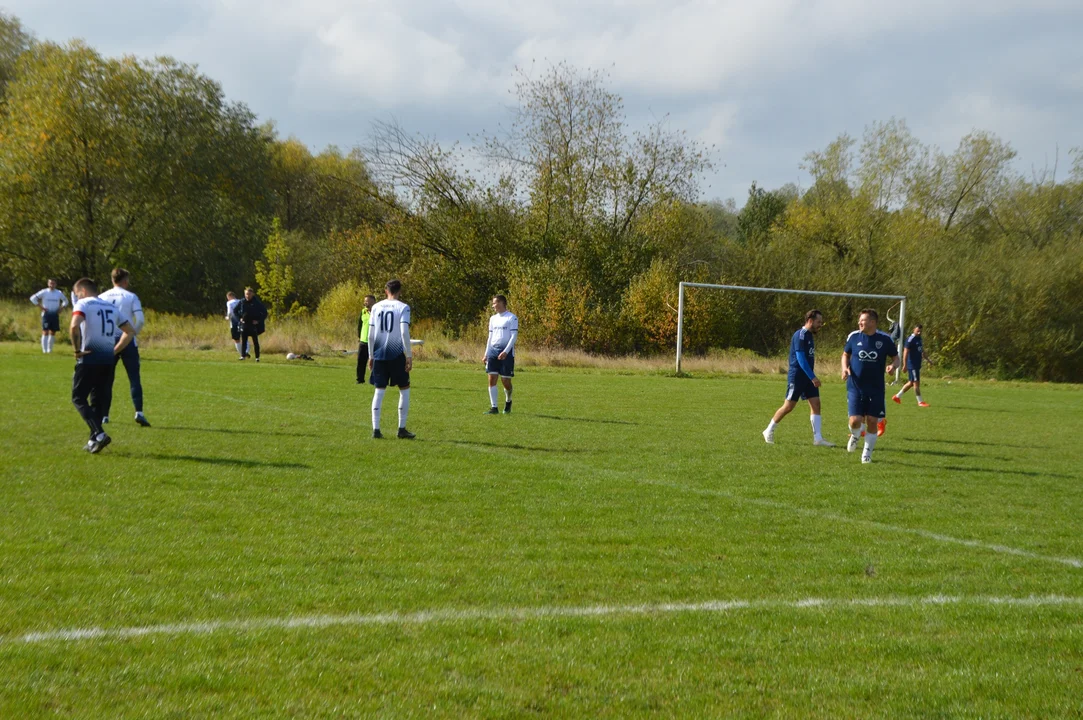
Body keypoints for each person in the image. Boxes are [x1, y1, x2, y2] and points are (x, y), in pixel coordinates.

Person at [69, 277, 136, 453]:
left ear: (82, 291)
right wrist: (115, 350)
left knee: (78, 397)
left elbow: (74, 327)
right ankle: (94, 441)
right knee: (97, 401)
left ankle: (98, 434)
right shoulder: (111, 307)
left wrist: (76, 350)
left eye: (77, 294)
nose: (77, 297)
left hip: (89, 358)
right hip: (107, 360)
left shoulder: (83, 304)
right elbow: (130, 331)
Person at [763, 309, 834, 447]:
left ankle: (818, 438)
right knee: (789, 406)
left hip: (807, 376)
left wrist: (811, 377)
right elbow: (801, 359)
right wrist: (813, 377)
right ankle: (768, 430)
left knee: (816, 404)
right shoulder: (800, 335)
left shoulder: (809, 336)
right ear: (810, 321)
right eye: (819, 322)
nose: (820, 325)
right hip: (797, 375)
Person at [841, 308, 898, 464]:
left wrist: (893, 366)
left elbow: (896, 358)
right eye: (859, 320)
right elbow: (845, 354)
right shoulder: (853, 337)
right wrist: (844, 368)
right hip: (855, 386)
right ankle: (855, 434)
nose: (860, 322)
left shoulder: (885, 339)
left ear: (872, 322)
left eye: (863, 320)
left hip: (876, 388)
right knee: (855, 421)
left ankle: (866, 454)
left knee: (872, 421)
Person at [99, 268, 149, 426]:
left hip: (107, 340)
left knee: (106, 379)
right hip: (126, 339)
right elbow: (140, 319)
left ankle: (104, 415)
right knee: (134, 378)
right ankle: (139, 412)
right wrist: (133, 333)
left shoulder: (101, 297)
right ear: (125, 280)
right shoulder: (131, 296)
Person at [367, 279, 414, 439]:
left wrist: (370, 355)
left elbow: (370, 334)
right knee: (404, 390)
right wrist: (409, 355)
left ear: (386, 290)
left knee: (379, 391)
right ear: (400, 291)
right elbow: (403, 332)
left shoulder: (376, 307)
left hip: (379, 354)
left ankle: (376, 430)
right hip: (395, 356)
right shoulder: (403, 307)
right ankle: (401, 429)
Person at [482, 294, 518, 414]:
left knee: (505, 381)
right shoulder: (493, 319)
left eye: (495, 303)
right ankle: (494, 407)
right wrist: (486, 353)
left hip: (506, 353)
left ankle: (508, 400)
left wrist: (505, 352)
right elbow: (490, 337)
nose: (493, 306)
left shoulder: (511, 318)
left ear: (502, 303)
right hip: (493, 351)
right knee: (492, 379)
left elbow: (513, 337)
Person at [893, 324, 931, 407]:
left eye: (920, 331)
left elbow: (922, 351)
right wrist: (905, 365)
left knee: (911, 383)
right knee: (916, 383)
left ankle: (897, 396)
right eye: (918, 331)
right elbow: (905, 352)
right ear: (914, 329)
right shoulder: (910, 339)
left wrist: (928, 360)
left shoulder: (919, 339)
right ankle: (920, 402)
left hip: (917, 364)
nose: (919, 332)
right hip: (912, 365)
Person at [30, 279, 68, 354]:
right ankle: (44, 351)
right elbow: (32, 298)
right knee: (45, 331)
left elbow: (66, 301)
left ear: (55, 284)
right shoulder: (44, 292)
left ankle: (49, 351)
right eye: (50, 283)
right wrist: (41, 307)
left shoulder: (58, 293)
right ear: (48, 284)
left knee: (53, 332)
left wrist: (61, 308)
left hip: (55, 314)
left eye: (53, 283)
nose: (52, 285)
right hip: (46, 314)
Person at [231, 287, 267, 362]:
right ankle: (243, 356)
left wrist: (258, 321)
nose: (248, 296)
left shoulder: (256, 302)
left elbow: (265, 312)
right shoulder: (242, 301)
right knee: (244, 341)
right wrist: (239, 319)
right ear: (244, 294)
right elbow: (235, 311)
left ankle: (257, 357)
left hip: (253, 325)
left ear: (253, 294)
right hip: (244, 324)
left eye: (249, 294)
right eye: (246, 294)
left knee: (255, 342)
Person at [356, 294, 376, 384]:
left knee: (375, 362)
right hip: (363, 341)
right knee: (361, 362)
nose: (365, 302)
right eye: (365, 301)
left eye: (367, 301)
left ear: (373, 302)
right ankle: (360, 379)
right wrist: (359, 337)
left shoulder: (377, 312)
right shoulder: (363, 312)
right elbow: (359, 325)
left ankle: (374, 380)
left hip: (375, 341)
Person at [226, 291, 242, 356]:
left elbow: (229, 312)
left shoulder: (229, 303)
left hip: (234, 322)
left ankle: (242, 354)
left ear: (229, 296)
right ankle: (246, 350)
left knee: (236, 339)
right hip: (242, 321)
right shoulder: (240, 301)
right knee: (244, 337)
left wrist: (227, 317)